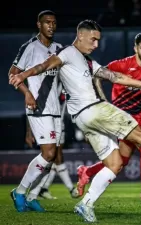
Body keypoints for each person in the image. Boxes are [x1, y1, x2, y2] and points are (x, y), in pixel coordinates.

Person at [9, 19, 141, 223]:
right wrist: (23, 75)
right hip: (95, 109)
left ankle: (85, 204)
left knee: (115, 163)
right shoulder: (67, 53)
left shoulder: (87, 61)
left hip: (84, 119)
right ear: (81, 35)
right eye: (93, 39)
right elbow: (44, 65)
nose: (96, 45)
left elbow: (113, 76)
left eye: (98, 41)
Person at [76, 33, 141, 204]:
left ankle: (87, 171)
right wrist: (102, 100)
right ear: (135, 48)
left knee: (122, 161)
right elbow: (98, 75)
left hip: (139, 116)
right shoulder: (122, 64)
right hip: (122, 117)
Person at [8, 10, 66, 212]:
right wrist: (27, 93)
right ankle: (20, 192)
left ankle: (33, 196)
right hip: (37, 107)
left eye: (54, 22)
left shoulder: (60, 49)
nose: (51, 25)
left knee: (51, 157)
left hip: (55, 109)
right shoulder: (30, 47)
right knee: (48, 152)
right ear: (39, 25)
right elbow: (13, 74)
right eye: (47, 22)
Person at [25, 81, 79, 200]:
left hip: (60, 123)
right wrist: (29, 131)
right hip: (48, 121)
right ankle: (71, 189)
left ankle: (41, 189)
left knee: (54, 159)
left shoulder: (67, 81)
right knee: (55, 157)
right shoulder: (48, 82)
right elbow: (30, 104)